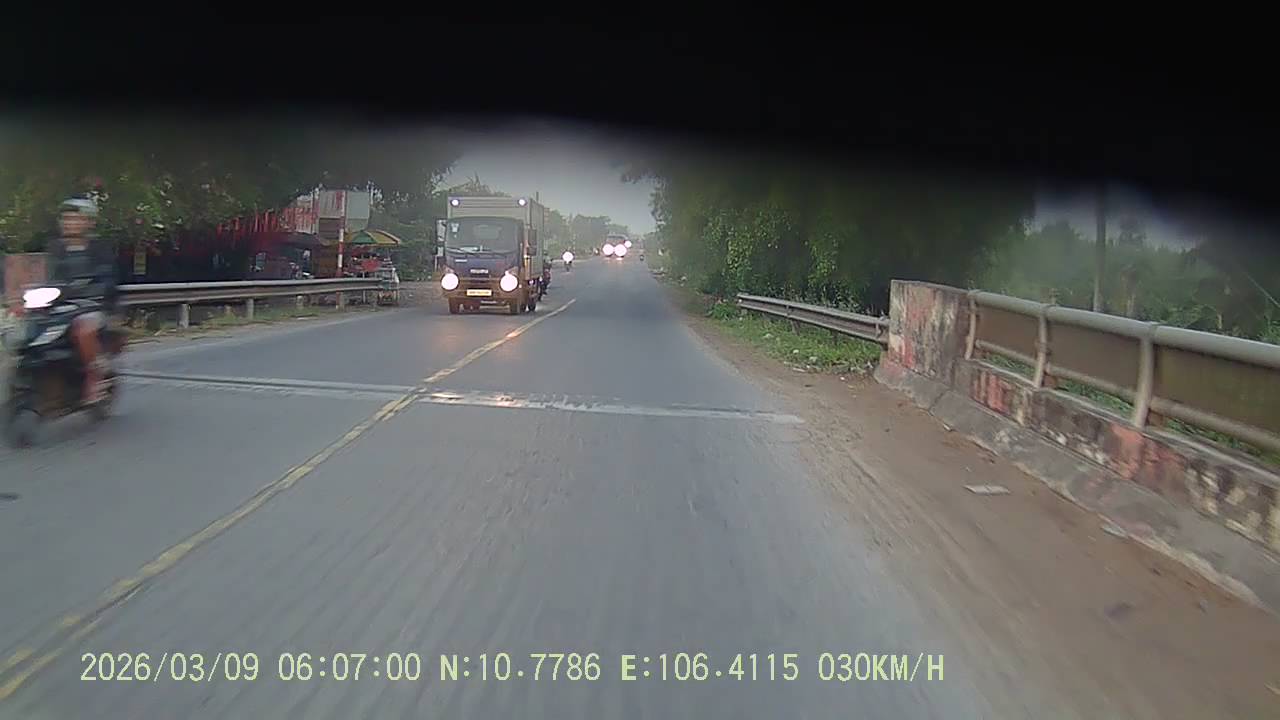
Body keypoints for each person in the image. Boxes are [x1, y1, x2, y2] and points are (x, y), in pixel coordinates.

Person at [47, 197, 118, 404]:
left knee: (83, 330)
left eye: (76, 219)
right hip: (62, 306)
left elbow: (108, 279)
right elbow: (47, 277)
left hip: (92, 306)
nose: (70, 223)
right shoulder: (56, 248)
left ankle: (94, 376)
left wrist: (93, 289)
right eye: (66, 219)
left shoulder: (100, 249)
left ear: (89, 222)